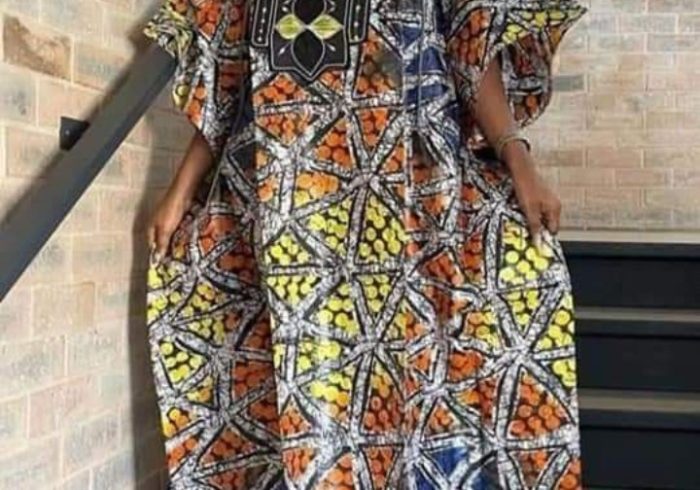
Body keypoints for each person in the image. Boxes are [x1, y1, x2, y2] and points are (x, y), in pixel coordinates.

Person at [144, 0, 588, 488]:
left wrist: (518, 160)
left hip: (413, 194)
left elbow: (472, 44)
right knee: (300, 378)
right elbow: (230, 76)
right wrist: (181, 190)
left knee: (434, 364)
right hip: (286, 202)